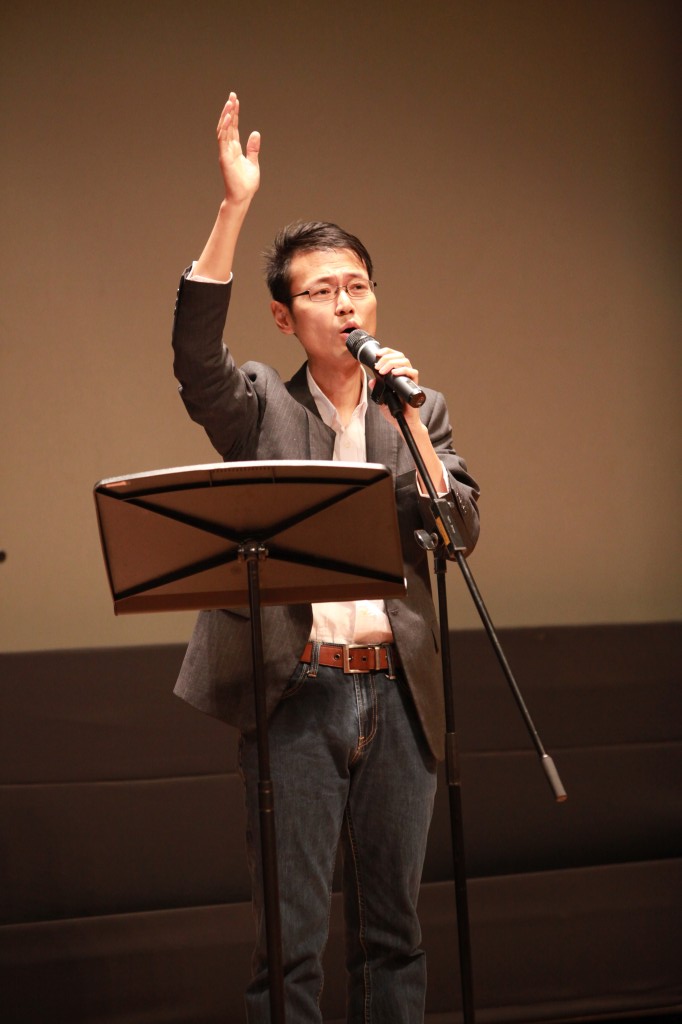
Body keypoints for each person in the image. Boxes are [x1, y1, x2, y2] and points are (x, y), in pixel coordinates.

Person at [171, 93, 480, 1023]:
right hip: (297, 692)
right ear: (283, 316)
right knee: (292, 946)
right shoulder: (263, 405)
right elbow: (196, 364)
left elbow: (460, 529)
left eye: (358, 286)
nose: (346, 304)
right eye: (321, 291)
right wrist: (234, 207)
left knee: (396, 940)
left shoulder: (418, 408)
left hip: (399, 694)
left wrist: (410, 417)